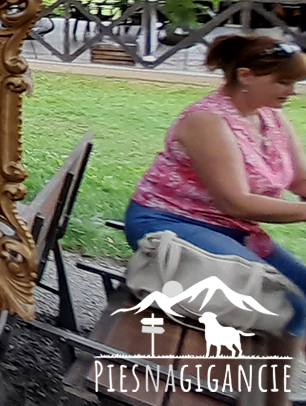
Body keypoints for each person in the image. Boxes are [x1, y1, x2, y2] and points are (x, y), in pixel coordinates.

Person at [126, 34, 306, 397]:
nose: (292, 91)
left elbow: (301, 179)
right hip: (171, 223)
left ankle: (272, 395)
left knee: (301, 293)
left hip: (232, 229)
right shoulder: (206, 120)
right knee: (286, 301)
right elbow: (235, 202)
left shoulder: (271, 118)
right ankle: (263, 396)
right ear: (245, 76)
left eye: (295, 83)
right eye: (283, 82)